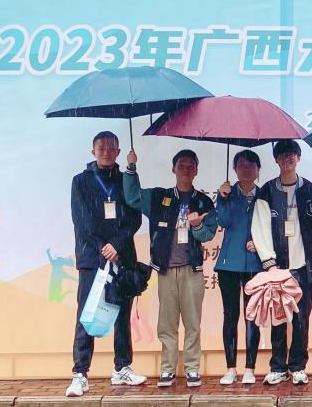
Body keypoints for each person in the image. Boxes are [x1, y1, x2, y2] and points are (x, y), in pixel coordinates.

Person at [125, 148, 217, 388]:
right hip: (166, 270)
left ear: (196, 170)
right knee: (167, 324)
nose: (186, 169)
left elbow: (208, 234)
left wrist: (197, 226)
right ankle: (167, 369)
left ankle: (192, 368)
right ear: (173, 168)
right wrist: (131, 167)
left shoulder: (204, 201)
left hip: (192, 270)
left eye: (190, 165)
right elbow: (132, 197)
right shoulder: (159, 197)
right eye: (181, 165)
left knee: (193, 323)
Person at [66, 131, 146, 398]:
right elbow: (82, 220)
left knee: (122, 315)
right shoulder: (80, 181)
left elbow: (135, 218)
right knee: (87, 313)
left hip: (122, 256)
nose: (106, 152)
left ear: (119, 152)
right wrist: (104, 247)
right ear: (93, 152)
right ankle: (80, 373)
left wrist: (117, 245)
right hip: (92, 258)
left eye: (112, 148)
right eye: (101, 148)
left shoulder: (126, 181)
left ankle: (122, 367)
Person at [250, 139, 312, 386]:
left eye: (292, 154)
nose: (287, 159)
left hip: (303, 266)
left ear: (298, 158)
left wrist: (311, 258)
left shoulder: (310, 190)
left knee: (302, 319)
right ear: (276, 160)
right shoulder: (267, 191)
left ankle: (298, 366)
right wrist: (269, 263)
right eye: (282, 155)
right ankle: (278, 367)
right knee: (279, 319)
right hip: (277, 267)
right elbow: (260, 227)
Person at [213, 150, 265, 385]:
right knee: (230, 315)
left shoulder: (265, 195)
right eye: (241, 165)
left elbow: (271, 226)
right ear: (234, 169)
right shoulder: (227, 193)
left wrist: (260, 243)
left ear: (258, 169)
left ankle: (250, 368)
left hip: (255, 264)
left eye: (251, 165)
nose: (246, 169)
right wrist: (223, 198)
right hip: (229, 265)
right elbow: (223, 221)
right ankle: (230, 368)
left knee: (251, 316)